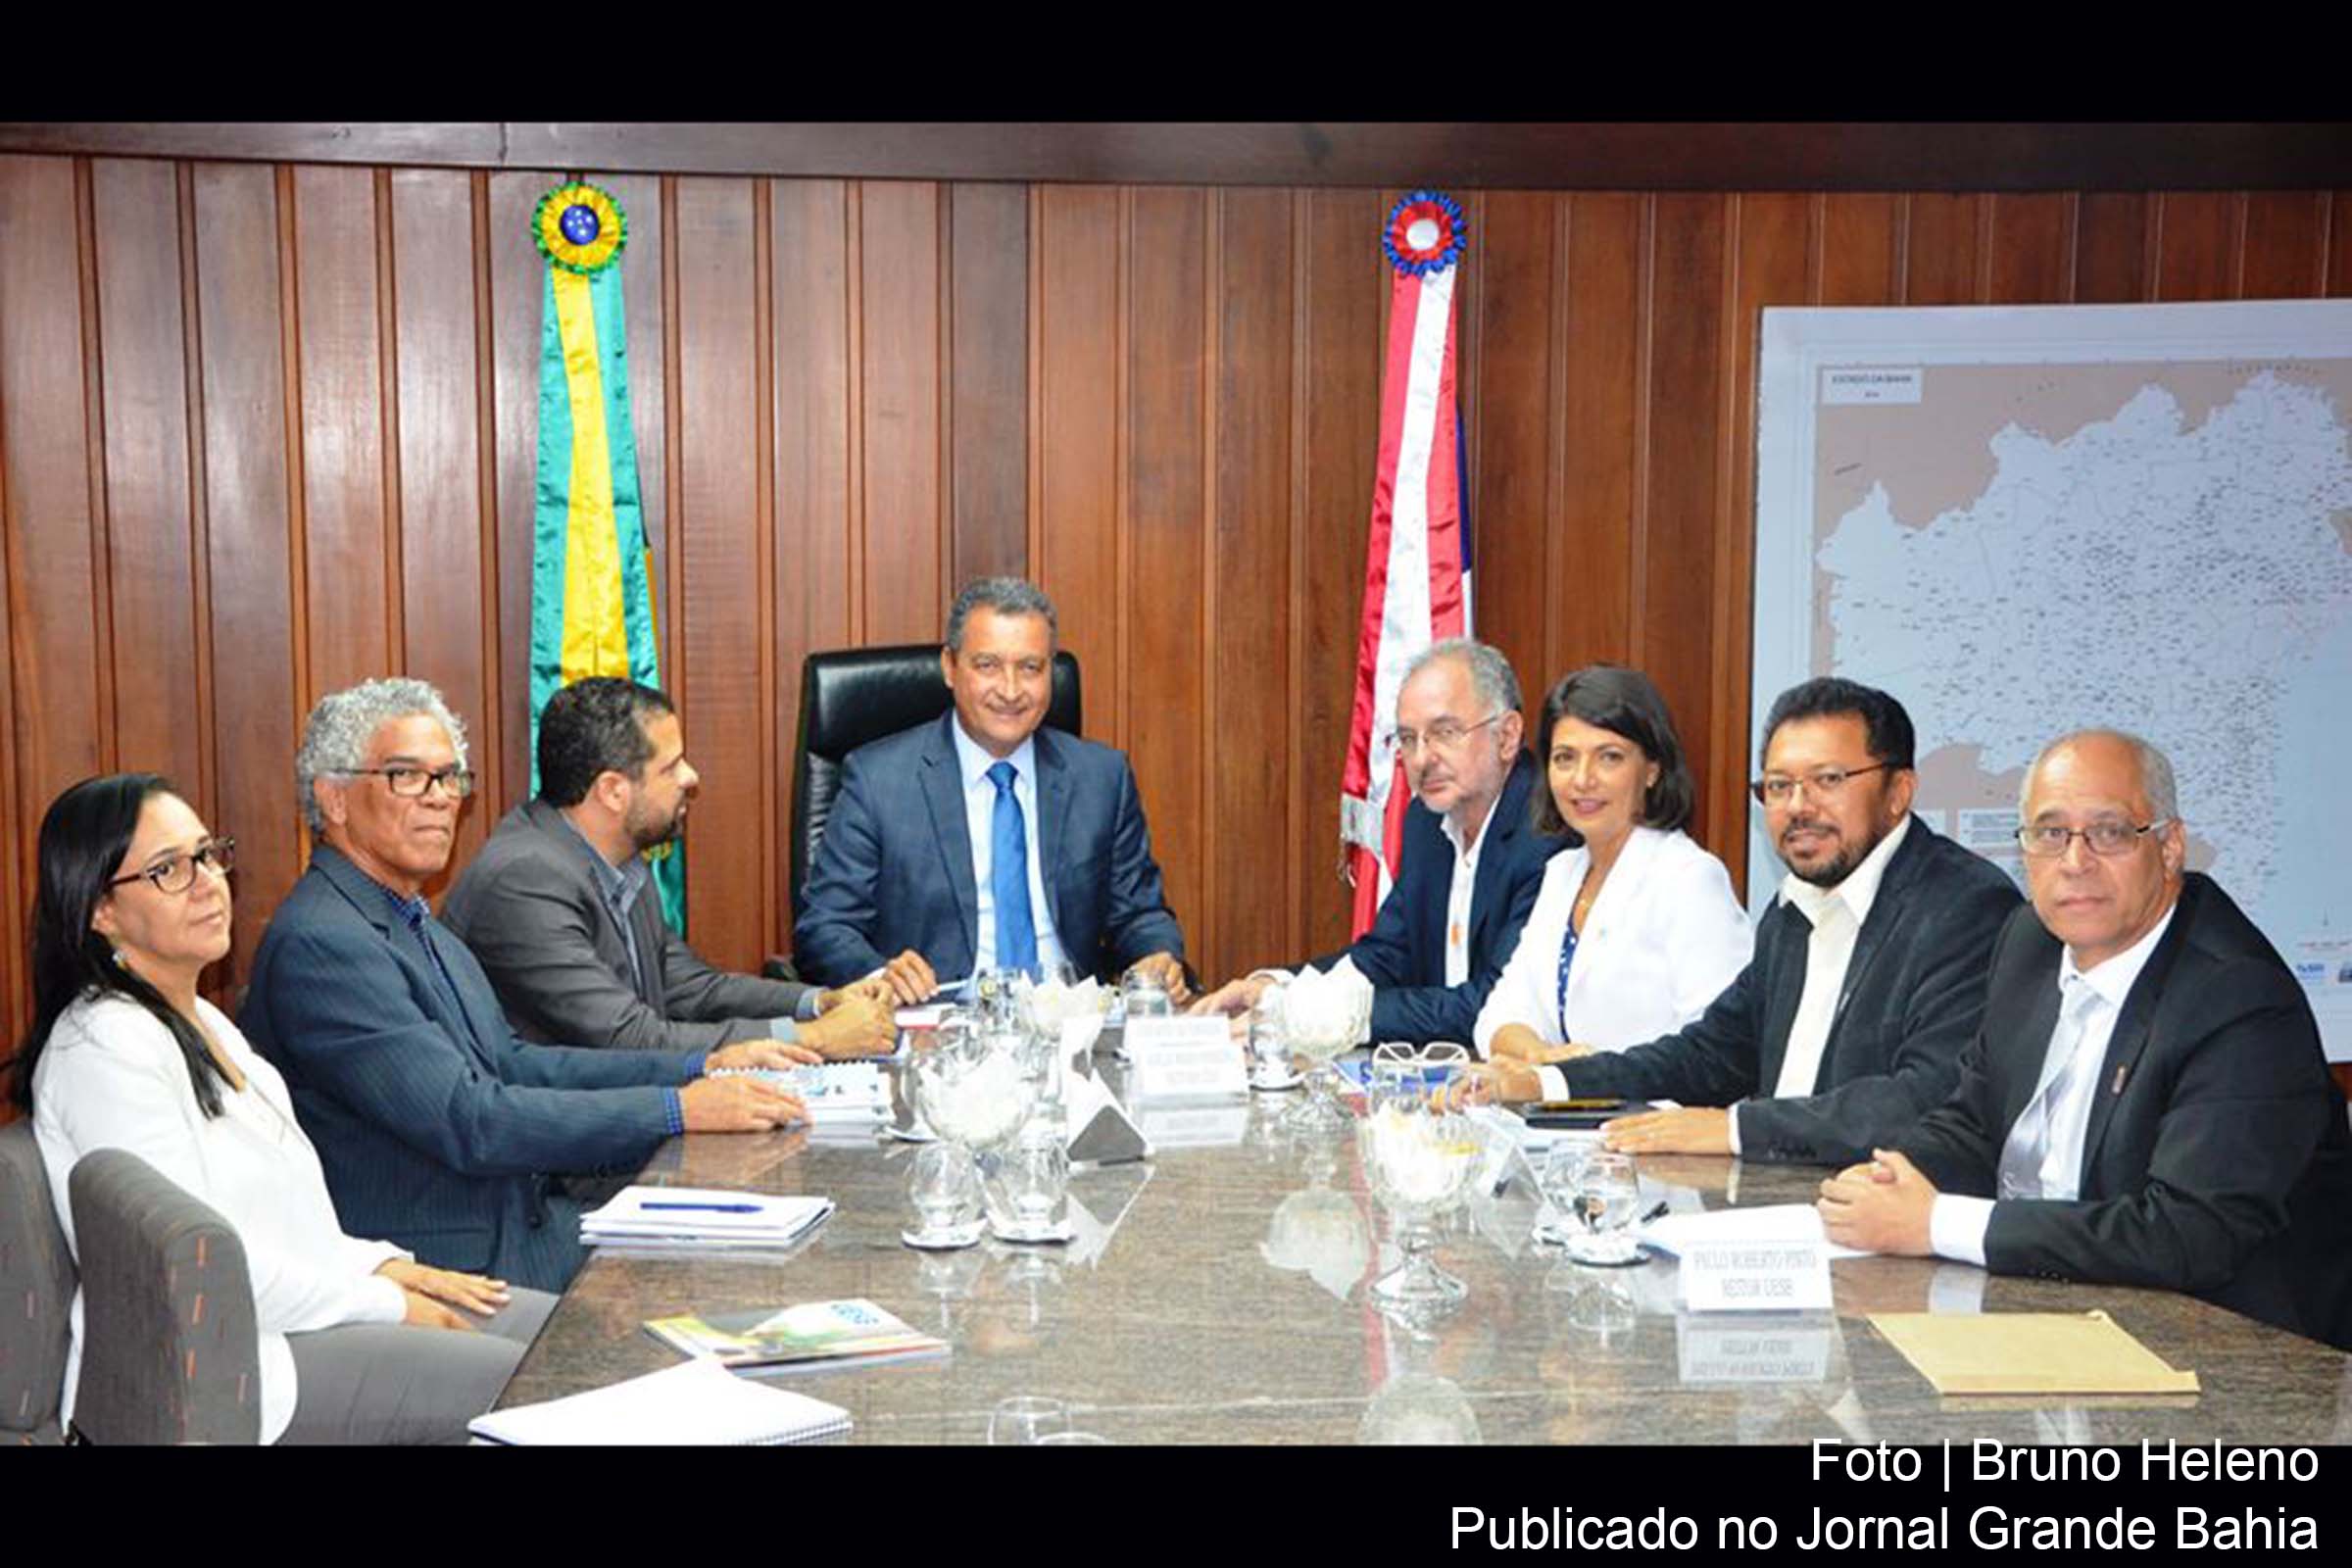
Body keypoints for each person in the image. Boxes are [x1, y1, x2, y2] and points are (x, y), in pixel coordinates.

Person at [18, 773, 554, 1445]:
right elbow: (202, 1269)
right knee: (548, 1383)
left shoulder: (204, 1019)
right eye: (168, 870)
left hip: (302, 1314)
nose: (208, 880)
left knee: (578, 1333)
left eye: (209, 854)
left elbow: (284, 1225)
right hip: (238, 1367)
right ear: (99, 909)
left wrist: (386, 1267)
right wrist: (390, 1302)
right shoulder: (105, 1045)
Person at [240, 678, 811, 1295]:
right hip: (446, 1259)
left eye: (449, 777)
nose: (440, 800)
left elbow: (512, 1063)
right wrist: (675, 1109)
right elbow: (472, 1121)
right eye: (408, 777)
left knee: (759, 1243)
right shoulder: (325, 944)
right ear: (335, 799)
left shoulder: (405, 917)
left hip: (514, 1215)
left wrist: (703, 1068)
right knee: (725, 1279)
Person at [1819, 730, 2352, 1348]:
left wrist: (1937, 1223)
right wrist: (1890, 1180)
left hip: (2224, 1355)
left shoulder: (2238, 1000)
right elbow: (1975, 1120)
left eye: (2110, 832)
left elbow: (2185, 1235)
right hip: (2054, 1305)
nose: (2075, 862)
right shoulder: (2031, 941)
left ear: (2171, 846)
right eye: (2050, 834)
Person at [1461, 677, 2019, 1168]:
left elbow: (1925, 1098)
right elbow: (1710, 1053)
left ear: (1898, 792)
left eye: (1827, 780)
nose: (1798, 806)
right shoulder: (1793, 907)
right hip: (1774, 1202)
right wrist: (1546, 1083)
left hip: (1881, 1226)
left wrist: (1732, 1130)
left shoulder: (1964, 906)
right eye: (1778, 786)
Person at [443, 677, 894, 1057]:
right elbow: (628, 1038)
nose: (690, 778)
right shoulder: (525, 881)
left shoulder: (616, 858)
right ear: (613, 791)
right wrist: (816, 1039)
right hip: (552, 1149)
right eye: (671, 766)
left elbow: (689, 988)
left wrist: (820, 1002)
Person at [795, 576, 1189, 1004]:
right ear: (949, 667)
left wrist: (1158, 956)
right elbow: (826, 927)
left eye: (1030, 668)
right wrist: (880, 977)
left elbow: (1140, 914)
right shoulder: (877, 780)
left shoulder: (1101, 777)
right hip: (940, 1033)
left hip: (1071, 1033)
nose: (1011, 690)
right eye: (987, 665)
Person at [1188, 640, 1558, 1045]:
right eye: (1407, 739)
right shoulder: (1425, 821)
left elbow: (1492, 1004)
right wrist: (1277, 990)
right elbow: (1387, 955)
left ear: (1506, 737)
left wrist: (1339, 1017)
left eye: (1443, 733)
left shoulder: (1546, 832)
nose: (1421, 759)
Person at [1469, 665, 1750, 1060]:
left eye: (1609, 757)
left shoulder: (1689, 879)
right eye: (1565, 758)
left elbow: (1722, 1053)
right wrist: (1543, 1058)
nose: (1582, 779)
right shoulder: (1562, 873)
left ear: (1652, 769)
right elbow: (1497, 1016)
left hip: (1655, 1117)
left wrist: (1582, 1075)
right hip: (1563, 1112)